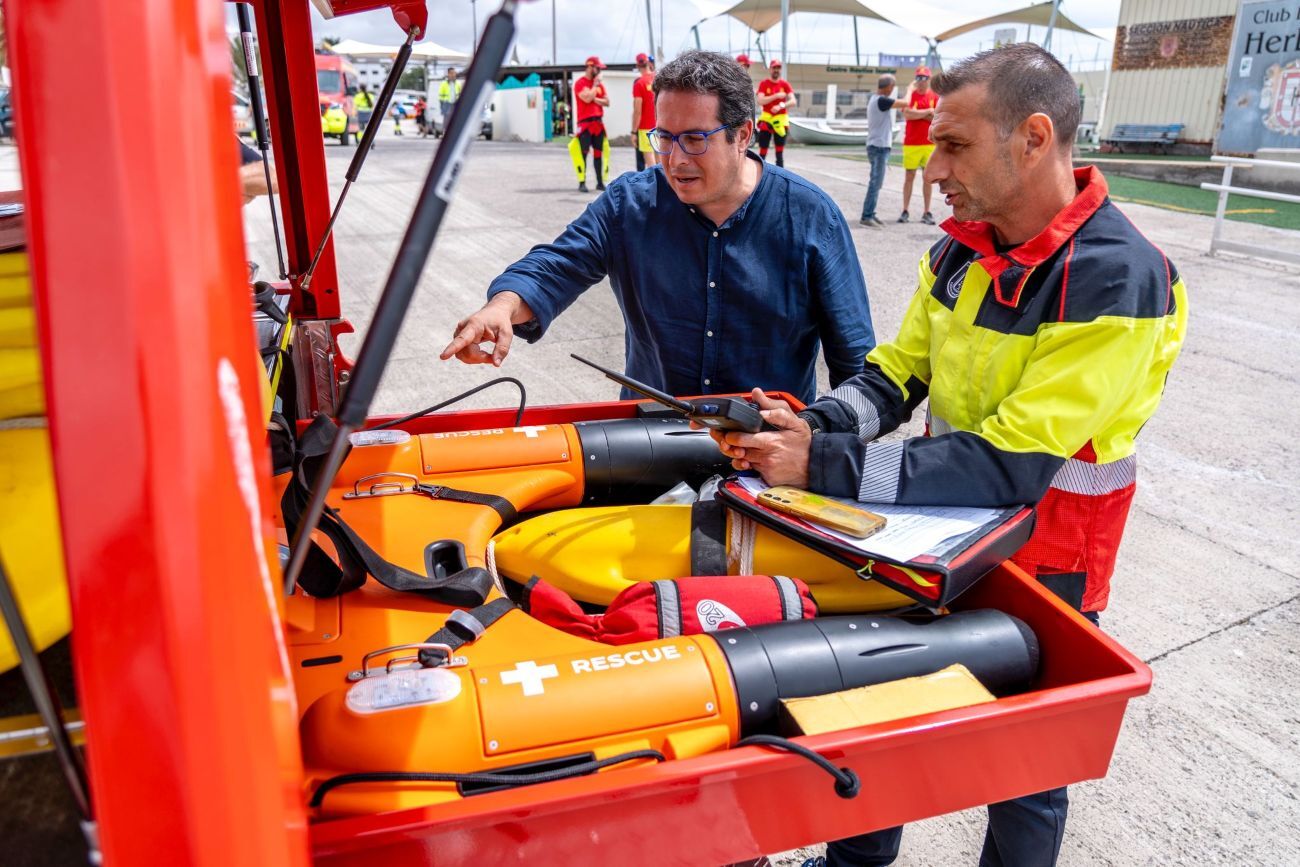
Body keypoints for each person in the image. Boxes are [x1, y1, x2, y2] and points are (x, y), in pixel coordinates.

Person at [707, 44, 1188, 867]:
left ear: (1033, 138)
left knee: (1026, 765)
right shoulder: (964, 248)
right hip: (937, 535)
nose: (933, 170)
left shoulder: (1118, 277)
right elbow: (896, 374)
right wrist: (809, 426)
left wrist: (822, 467)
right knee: (878, 718)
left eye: (955, 145)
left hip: (1050, 563)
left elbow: (1011, 462)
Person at [440, 49, 874, 407]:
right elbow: (558, 264)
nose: (675, 159)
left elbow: (856, 364)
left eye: (695, 139)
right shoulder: (629, 203)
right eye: (665, 137)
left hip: (766, 454)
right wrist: (502, 306)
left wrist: (818, 442)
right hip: (651, 437)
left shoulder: (811, 216)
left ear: (743, 136)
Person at [898, 66, 938, 224]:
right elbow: (907, 113)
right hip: (911, 143)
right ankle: (905, 210)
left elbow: (935, 118)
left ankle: (926, 212)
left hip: (929, 144)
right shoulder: (910, 96)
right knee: (909, 177)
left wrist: (918, 115)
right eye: (919, 78)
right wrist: (926, 111)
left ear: (929, 79)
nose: (921, 81)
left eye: (924, 78)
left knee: (927, 178)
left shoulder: (934, 96)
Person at [859, 74, 898, 228]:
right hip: (879, 147)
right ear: (888, 87)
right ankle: (867, 215)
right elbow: (904, 103)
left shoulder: (877, 100)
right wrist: (911, 89)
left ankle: (871, 213)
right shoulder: (881, 100)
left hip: (877, 146)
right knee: (875, 183)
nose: (893, 90)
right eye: (892, 87)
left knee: (877, 182)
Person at [572, 56, 610, 192]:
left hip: (598, 124)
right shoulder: (580, 83)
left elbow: (607, 102)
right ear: (589, 67)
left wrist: (593, 97)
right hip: (585, 125)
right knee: (583, 154)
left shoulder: (600, 85)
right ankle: (582, 182)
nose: (599, 70)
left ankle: (600, 183)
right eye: (597, 68)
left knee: (599, 154)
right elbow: (586, 99)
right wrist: (594, 88)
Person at [755, 59, 795, 167]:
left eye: (778, 68)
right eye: (774, 68)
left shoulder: (785, 84)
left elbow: (793, 101)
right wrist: (776, 96)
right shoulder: (764, 83)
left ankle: (780, 175)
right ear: (770, 69)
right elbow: (760, 100)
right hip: (767, 119)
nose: (776, 70)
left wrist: (781, 105)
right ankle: (760, 173)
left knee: (779, 152)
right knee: (763, 150)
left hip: (781, 120)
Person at [632, 53, 658, 172]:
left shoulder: (639, 83)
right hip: (660, 125)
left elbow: (637, 110)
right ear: (648, 63)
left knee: (651, 163)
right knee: (661, 160)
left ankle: (657, 188)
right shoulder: (658, 78)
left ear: (638, 65)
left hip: (645, 128)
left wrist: (633, 132)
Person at [438, 67, 462, 136]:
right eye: (451, 73)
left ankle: (455, 132)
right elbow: (440, 95)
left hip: (455, 103)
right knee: (446, 119)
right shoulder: (444, 83)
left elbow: (460, 93)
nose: (453, 75)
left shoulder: (458, 83)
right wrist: (442, 105)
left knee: (456, 118)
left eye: (454, 73)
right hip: (446, 103)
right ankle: (445, 132)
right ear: (448, 74)